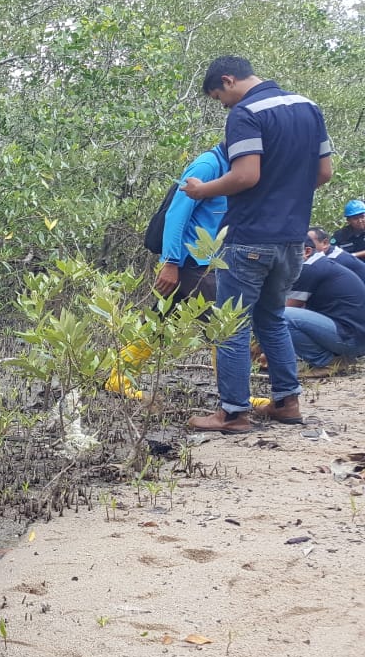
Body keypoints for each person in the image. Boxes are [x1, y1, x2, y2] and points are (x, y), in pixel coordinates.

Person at [181, 56, 333, 433]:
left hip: (249, 237)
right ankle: (287, 402)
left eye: (220, 96)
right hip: (292, 240)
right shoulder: (308, 107)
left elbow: (246, 175)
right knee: (272, 319)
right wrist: (286, 197)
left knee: (231, 326)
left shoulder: (246, 113)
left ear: (228, 81)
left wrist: (202, 190)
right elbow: (324, 172)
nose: (224, 105)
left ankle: (233, 413)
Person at [106, 144, 228, 399]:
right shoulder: (207, 166)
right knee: (222, 325)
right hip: (190, 261)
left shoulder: (230, 168)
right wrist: (170, 262)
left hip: (203, 259)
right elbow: (176, 215)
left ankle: (118, 379)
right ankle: (235, 396)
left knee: (160, 319)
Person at [281, 236, 365, 382]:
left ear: (307, 251)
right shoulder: (321, 264)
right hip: (352, 335)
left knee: (282, 316)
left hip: (350, 339)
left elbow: (282, 313)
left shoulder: (309, 268)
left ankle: (326, 362)